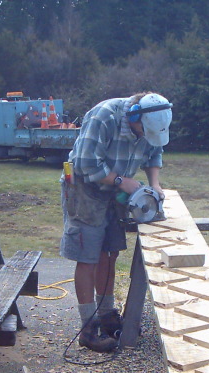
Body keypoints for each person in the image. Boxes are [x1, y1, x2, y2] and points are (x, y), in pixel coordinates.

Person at [60, 92, 172, 352]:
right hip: (84, 189)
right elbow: (85, 163)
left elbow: (154, 151)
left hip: (115, 191)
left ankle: (107, 314)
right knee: (88, 257)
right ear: (134, 116)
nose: (144, 136)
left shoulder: (151, 121)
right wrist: (122, 181)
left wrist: (154, 184)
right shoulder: (104, 116)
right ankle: (88, 328)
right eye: (142, 131)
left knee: (109, 253)